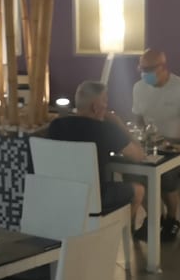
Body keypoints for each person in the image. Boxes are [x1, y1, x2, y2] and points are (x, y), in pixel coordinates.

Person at [44, 80, 146, 227]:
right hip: (94, 198)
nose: (107, 106)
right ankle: (124, 234)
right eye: (105, 101)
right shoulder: (106, 129)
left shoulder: (56, 125)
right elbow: (139, 156)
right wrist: (119, 124)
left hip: (61, 194)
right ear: (95, 107)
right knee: (138, 190)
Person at [130, 50, 180, 242]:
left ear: (162, 67)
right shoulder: (138, 88)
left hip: (179, 149)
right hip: (152, 145)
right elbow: (137, 120)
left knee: (166, 178)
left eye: (148, 69)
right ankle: (155, 217)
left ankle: (172, 219)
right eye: (141, 68)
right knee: (133, 175)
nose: (144, 73)